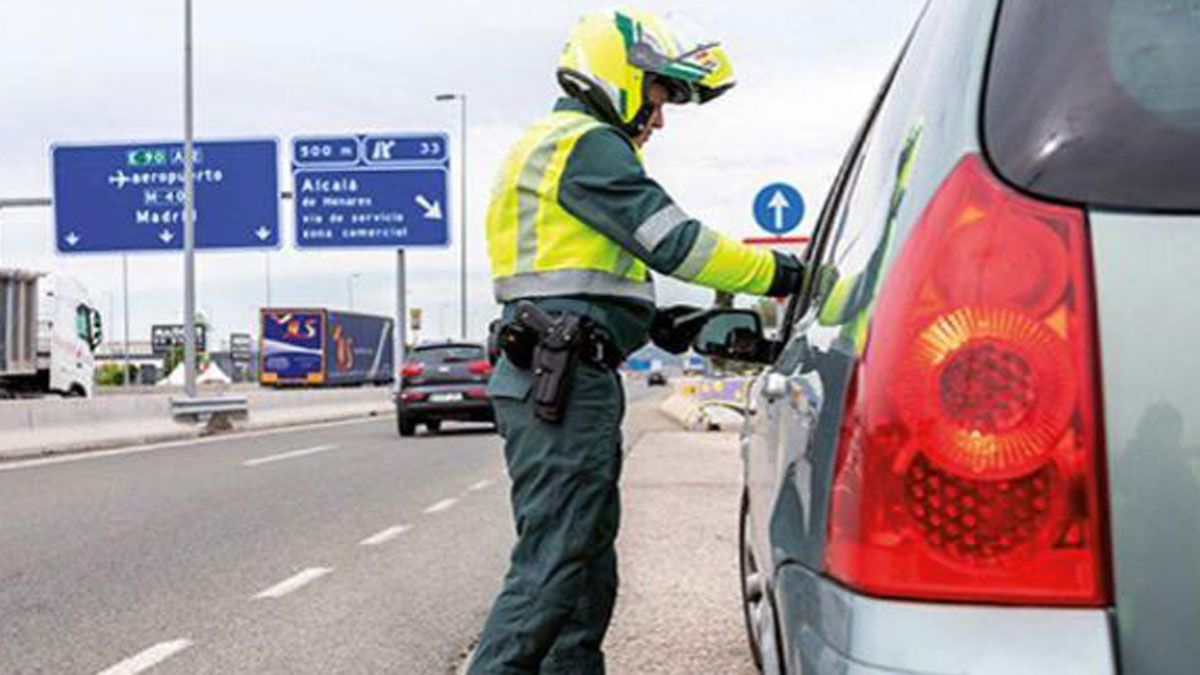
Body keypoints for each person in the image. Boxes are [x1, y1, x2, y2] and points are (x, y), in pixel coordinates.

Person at [471, 6, 806, 673]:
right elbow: (676, 242)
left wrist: (649, 321)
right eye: (658, 94)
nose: (660, 116)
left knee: (584, 564)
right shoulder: (587, 143)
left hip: (555, 367)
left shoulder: (549, 142)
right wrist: (784, 272)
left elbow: (577, 274)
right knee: (556, 562)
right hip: (560, 379)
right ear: (619, 75)